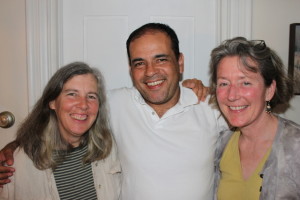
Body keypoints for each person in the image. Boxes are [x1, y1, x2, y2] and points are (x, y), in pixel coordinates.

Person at [0, 23, 227, 200]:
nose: (150, 72)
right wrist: (15, 147)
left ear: (180, 62)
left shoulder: (209, 105)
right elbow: (71, 115)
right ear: (131, 70)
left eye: (161, 59)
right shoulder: (115, 104)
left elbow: (255, 129)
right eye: (139, 63)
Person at [0, 62, 121, 199]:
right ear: (52, 102)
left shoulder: (109, 148)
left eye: (91, 96)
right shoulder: (20, 164)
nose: (83, 105)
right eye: (72, 94)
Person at [209, 37, 300, 199]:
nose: (232, 95)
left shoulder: (296, 147)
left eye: (245, 83)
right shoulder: (222, 144)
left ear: (269, 90)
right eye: (224, 83)